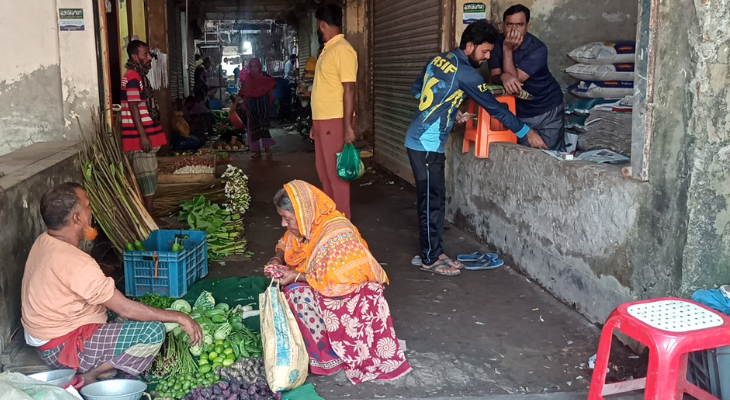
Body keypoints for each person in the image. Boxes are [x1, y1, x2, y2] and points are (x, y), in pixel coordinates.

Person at [21, 183, 202, 384]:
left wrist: (102, 270)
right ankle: (90, 373)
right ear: (77, 218)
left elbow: (69, 278)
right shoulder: (76, 262)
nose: (92, 212)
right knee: (152, 331)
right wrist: (179, 317)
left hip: (47, 339)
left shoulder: (44, 241)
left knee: (128, 312)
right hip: (63, 349)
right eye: (88, 206)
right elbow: (126, 309)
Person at [405, 20, 547, 276]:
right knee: (431, 204)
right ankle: (429, 258)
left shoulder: (439, 60)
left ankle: (436, 251)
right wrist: (526, 133)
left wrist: (450, 111)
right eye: (484, 51)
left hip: (422, 141)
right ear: (469, 46)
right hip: (425, 145)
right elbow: (494, 108)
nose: (487, 57)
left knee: (436, 201)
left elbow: (418, 91)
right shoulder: (467, 74)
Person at [264, 180, 411, 384]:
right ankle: (323, 354)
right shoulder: (308, 224)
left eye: (287, 219)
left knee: (297, 294)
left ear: (303, 213)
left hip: (349, 294)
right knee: (293, 290)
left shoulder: (336, 232)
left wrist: (295, 276)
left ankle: (333, 357)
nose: (283, 224)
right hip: (326, 285)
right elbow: (286, 241)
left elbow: (335, 279)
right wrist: (277, 259)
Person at [488, 4, 565, 150]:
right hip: (520, 112)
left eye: (519, 25)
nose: (514, 30)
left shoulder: (538, 49)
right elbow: (496, 77)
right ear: (503, 25)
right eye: (510, 24)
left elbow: (515, 82)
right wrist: (502, 76)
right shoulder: (496, 45)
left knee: (550, 156)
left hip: (547, 108)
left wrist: (507, 49)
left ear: (527, 27)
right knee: (524, 156)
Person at [310, 3, 358, 219]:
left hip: (335, 121)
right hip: (322, 121)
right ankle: (330, 219)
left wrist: (347, 127)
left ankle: (343, 224)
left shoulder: (343, 50)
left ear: (322, 25)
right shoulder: (327, 50)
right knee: (324, 173)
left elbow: (350, 90)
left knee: (337, 176)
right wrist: (314, 124)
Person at [121, 40, 167, 215]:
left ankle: (149, 216)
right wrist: (143, 136)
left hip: (142, 133)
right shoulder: (133, 77)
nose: (149, 58)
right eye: (145, 54)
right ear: (135, 56)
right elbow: (133, 106)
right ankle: (149, 218)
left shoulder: (138, 75)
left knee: (148, 176)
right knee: (147, 178)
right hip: (138, 136)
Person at [231, 59, 276, 159]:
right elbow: (242, 92)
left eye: (256, 66)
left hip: (262, 106)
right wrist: (235, 104)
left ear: (259, 66)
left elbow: (273, 84)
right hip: (251, 107)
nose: (254, 68)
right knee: (253, 129)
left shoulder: (265, 77)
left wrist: (268, 94)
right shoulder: (248, 79)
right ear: (249, 68)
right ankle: (257, 151)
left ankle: (267, 149)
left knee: (263, 127)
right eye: (252, 66)